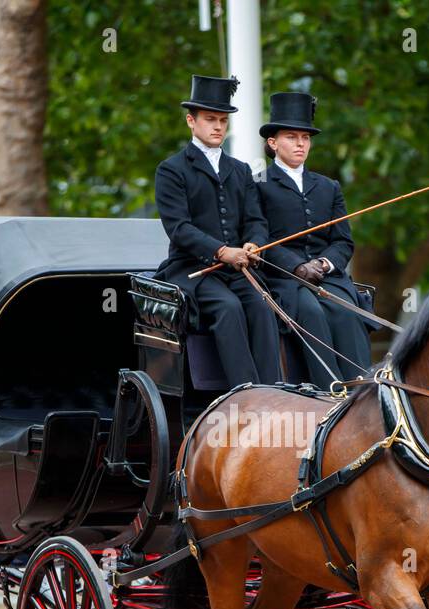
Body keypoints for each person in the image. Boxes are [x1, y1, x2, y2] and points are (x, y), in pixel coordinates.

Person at [154, 74, 281, 387]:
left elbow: (255, 220)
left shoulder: (240, 170)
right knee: (228, 307)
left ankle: (273, 391)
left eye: (223, 121)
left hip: (236, 270)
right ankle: (246, 393)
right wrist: (222, 251)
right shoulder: (171, 170)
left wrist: (254, 244)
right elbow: (179, 228)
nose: (218, 127)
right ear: (191, 121)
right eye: (210, 119)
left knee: (262, 304)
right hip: (192, 270)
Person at [253, 91, 372, 386]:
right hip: (283, 278)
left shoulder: (328, 187)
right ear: (273, 143)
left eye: (305, 138)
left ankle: (363, 390)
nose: (300, 144)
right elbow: (259, 236)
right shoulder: (257, 185)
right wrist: (296, 267)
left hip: (327, 277)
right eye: (292, 137)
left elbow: (343, 242)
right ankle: (328, 392)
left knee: (347, 313)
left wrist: (323, 263)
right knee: (310, 311)